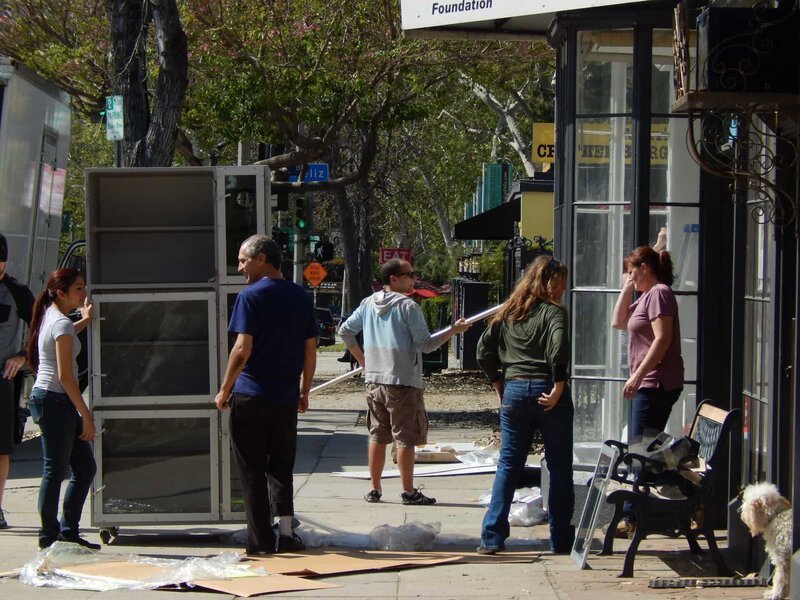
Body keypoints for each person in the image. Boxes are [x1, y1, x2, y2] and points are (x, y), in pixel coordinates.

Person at [215, 235, 318, 556]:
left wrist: (224, 388)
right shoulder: (301, 296)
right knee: (282, 466)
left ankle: (260, 543)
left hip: (250, 396)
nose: (241, 267)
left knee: (251, 470)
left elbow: (242, 349)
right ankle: (286, 534)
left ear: (262, 259)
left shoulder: (250, 297)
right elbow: (310, 349)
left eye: (244, 260)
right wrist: (304, 389)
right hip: (285, 397)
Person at [339, 259, 470, 505]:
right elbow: (427, 345)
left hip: (374, 381)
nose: (413, 278)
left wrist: (363, 361)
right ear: (393, 279)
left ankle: (375, 489)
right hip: (402, 382)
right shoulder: (408, 307)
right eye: (409, 274)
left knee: (377, 435)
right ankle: (408, 492)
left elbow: (345, 331)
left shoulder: (368, 304)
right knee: (405, 438)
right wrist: (453, 330)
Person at [475, 255, 574, 555]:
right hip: (547, 390)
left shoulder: (508, 313)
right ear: (550, 281)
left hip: (515, 389)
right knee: (558, 465)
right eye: (561, 282)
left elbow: (483, 350)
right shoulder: (554, 313)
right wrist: (558, 387)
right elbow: (558, 350)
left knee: (508, 464)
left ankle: (492, 536)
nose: (564, 289)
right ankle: (560, 538)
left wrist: (498, 385)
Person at [611, 245, 684, 536]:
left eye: (632, 271)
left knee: (638, 449)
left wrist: (638, 376)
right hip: (647, 382)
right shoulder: (645, 297)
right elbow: (618, 322)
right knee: (646, 447)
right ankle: (671, 487)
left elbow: (662, 339)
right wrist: (628, 287)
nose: (629, 277)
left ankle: (633, 516)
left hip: (656, 383)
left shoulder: (659, 294)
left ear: (645, 268)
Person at [26, 268, 97, 549]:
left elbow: (66, 338)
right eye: (78, 288)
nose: (84, 293)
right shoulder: (61, 323)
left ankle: (67, 532)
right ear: (61, 293)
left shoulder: (57, 319)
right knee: (55, 471)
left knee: (84, 468)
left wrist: (85, 320)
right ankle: (50, 536)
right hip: (55, 400)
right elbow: (66, 377)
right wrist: (85, 414)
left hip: (52, 400)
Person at [0, 233, 36, 529]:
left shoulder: (16, 291)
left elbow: (43, 326)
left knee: (0, 449)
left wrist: (23, 355)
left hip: (3, 379)